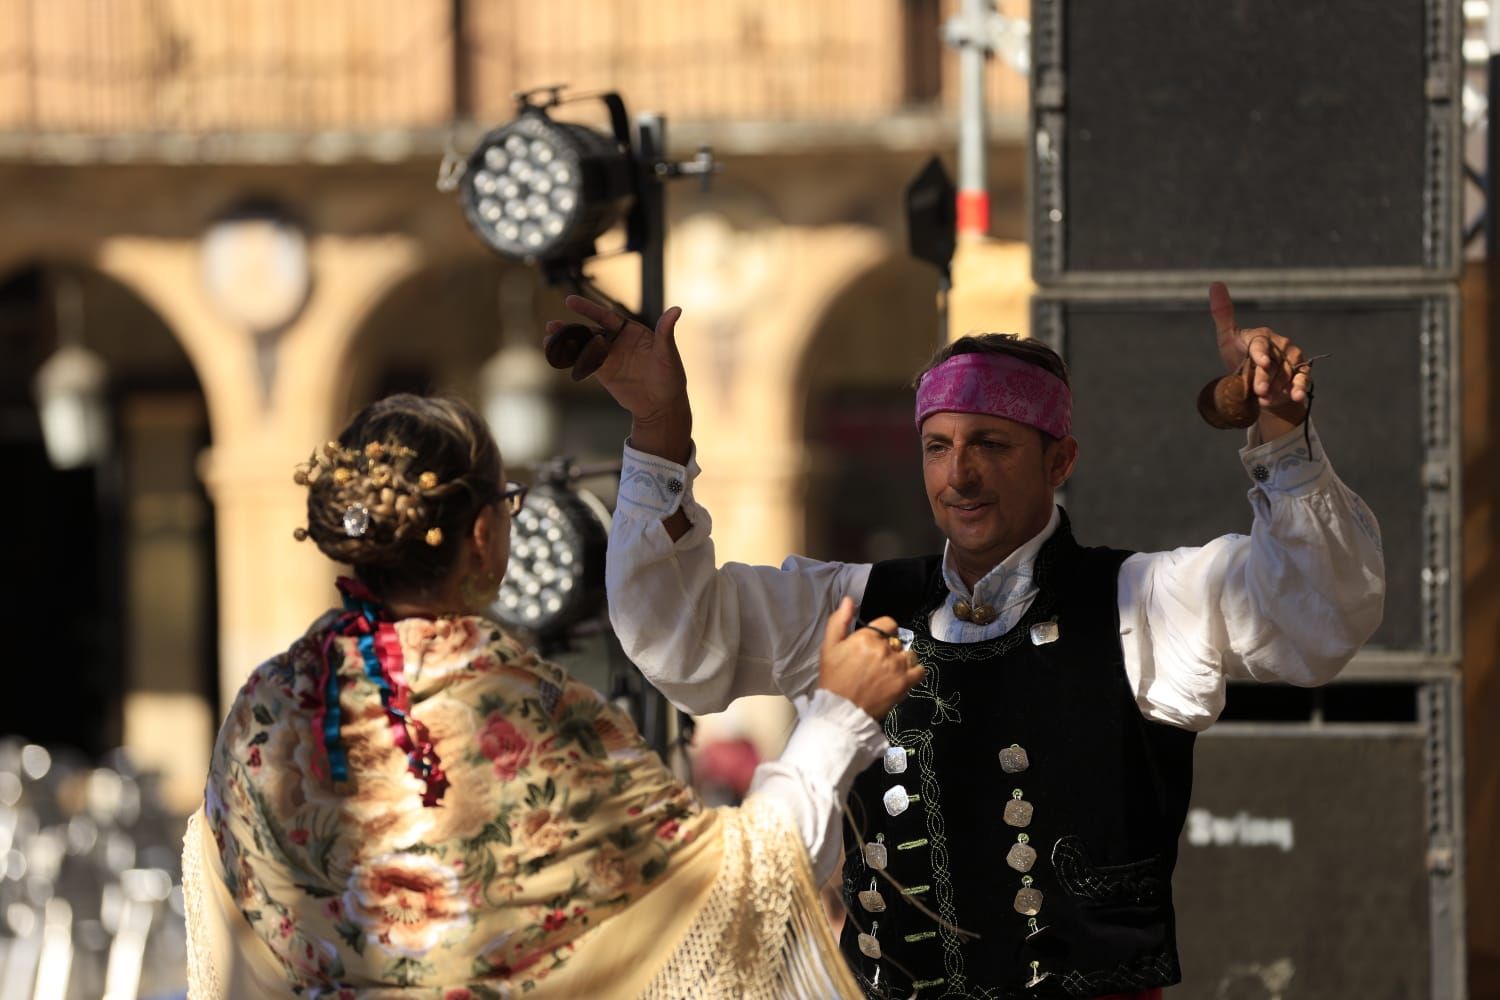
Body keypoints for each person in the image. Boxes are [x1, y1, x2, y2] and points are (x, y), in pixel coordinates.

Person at [550, 282, 1385, 999]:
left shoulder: (1140, 599)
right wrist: (659, 427)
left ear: (1060, 461)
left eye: (990, 444)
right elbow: (679, 640)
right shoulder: (850, 604)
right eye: (938, 448)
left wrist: (1283, 439)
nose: (959, 475)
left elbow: (1317, 619)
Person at [181, 393, 925, 999]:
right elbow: (719, 893)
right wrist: (838, 717)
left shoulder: (266, 705)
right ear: (481, 533)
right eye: (508, 500)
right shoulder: (511, 708)